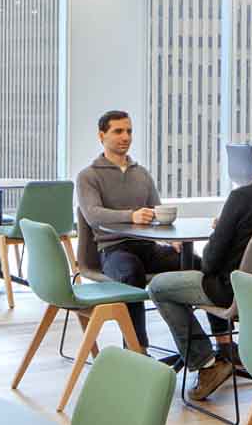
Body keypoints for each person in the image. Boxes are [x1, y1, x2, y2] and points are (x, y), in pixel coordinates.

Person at [149, 122, 252, 398]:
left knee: (159, 287)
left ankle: (205, 363)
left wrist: (222, 228)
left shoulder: (242, 197)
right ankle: (251, 360)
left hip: (235, 293)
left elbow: (210, 262)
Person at [76, 110, 178, 346]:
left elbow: (157, 211)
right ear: (102, 135)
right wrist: (131, 215)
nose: (126, 137)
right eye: (118, 131)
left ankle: (221, 347)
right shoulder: (88, 176)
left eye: (129, 131)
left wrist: (172, 238)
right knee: (131, 273)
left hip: (149, 248)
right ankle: (136, 349)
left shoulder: (141, 174)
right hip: (113, 250)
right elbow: (93, 215)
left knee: (197, 264)